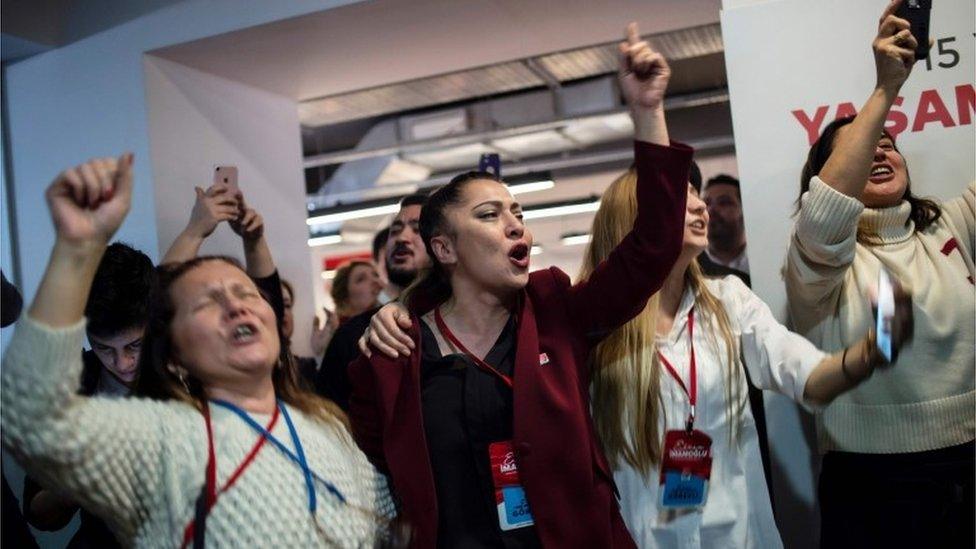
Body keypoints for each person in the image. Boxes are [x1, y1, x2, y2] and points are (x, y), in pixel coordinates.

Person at [351, 23, 689, 547]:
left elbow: (652, 249)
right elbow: (370, 468)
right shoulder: (397, 350)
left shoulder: (555, 310)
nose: (517, 226)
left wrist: (648, 111)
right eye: (490, 215)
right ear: (444, 249)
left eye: (519, 213)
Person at [1, 154, 395, 547]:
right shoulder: (158, 430)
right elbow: (33, 422)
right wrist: (73, 253)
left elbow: (378, 517)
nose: (123, 363)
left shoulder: (321, 427)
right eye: (209, 305)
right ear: (176, 346)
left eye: (243, 294)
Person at [582, 167, 910, 548]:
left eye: (695, 194)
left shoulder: (729, 300)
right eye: (681, 196)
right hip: (642, 537)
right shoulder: (594, 325)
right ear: (636, 217)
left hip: (738, 535)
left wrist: (873, 350)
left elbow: (808, 376)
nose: (700, 205)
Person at [785, 2, 975, 546]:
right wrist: (886, 88)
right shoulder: (816, 263)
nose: (881, 149)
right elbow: (825, 212)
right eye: (863, 148)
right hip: (873, 482)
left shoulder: (951, 224)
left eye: (889, 142)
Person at [23, 242, 155, 548]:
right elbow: (37, 512)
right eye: (105, 348)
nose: (121, 363)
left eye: (134, 345)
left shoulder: (190, 372)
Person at [316, 194, 429, 411]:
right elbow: (328, 420)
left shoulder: (465, 320)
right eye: (394, 230)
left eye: (417, 229)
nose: (401, 238)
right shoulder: (351, 336)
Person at [699, 174, 750, 279]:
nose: (711, 210)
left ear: (744, 210)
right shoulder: (691, 267)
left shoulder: (761, 262)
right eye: (707, 203)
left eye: (724, 202)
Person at [330, 259, 383, 323]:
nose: (375, 280)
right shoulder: (341, 331)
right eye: (361, 279)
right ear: (345, 299)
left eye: (375, 275)